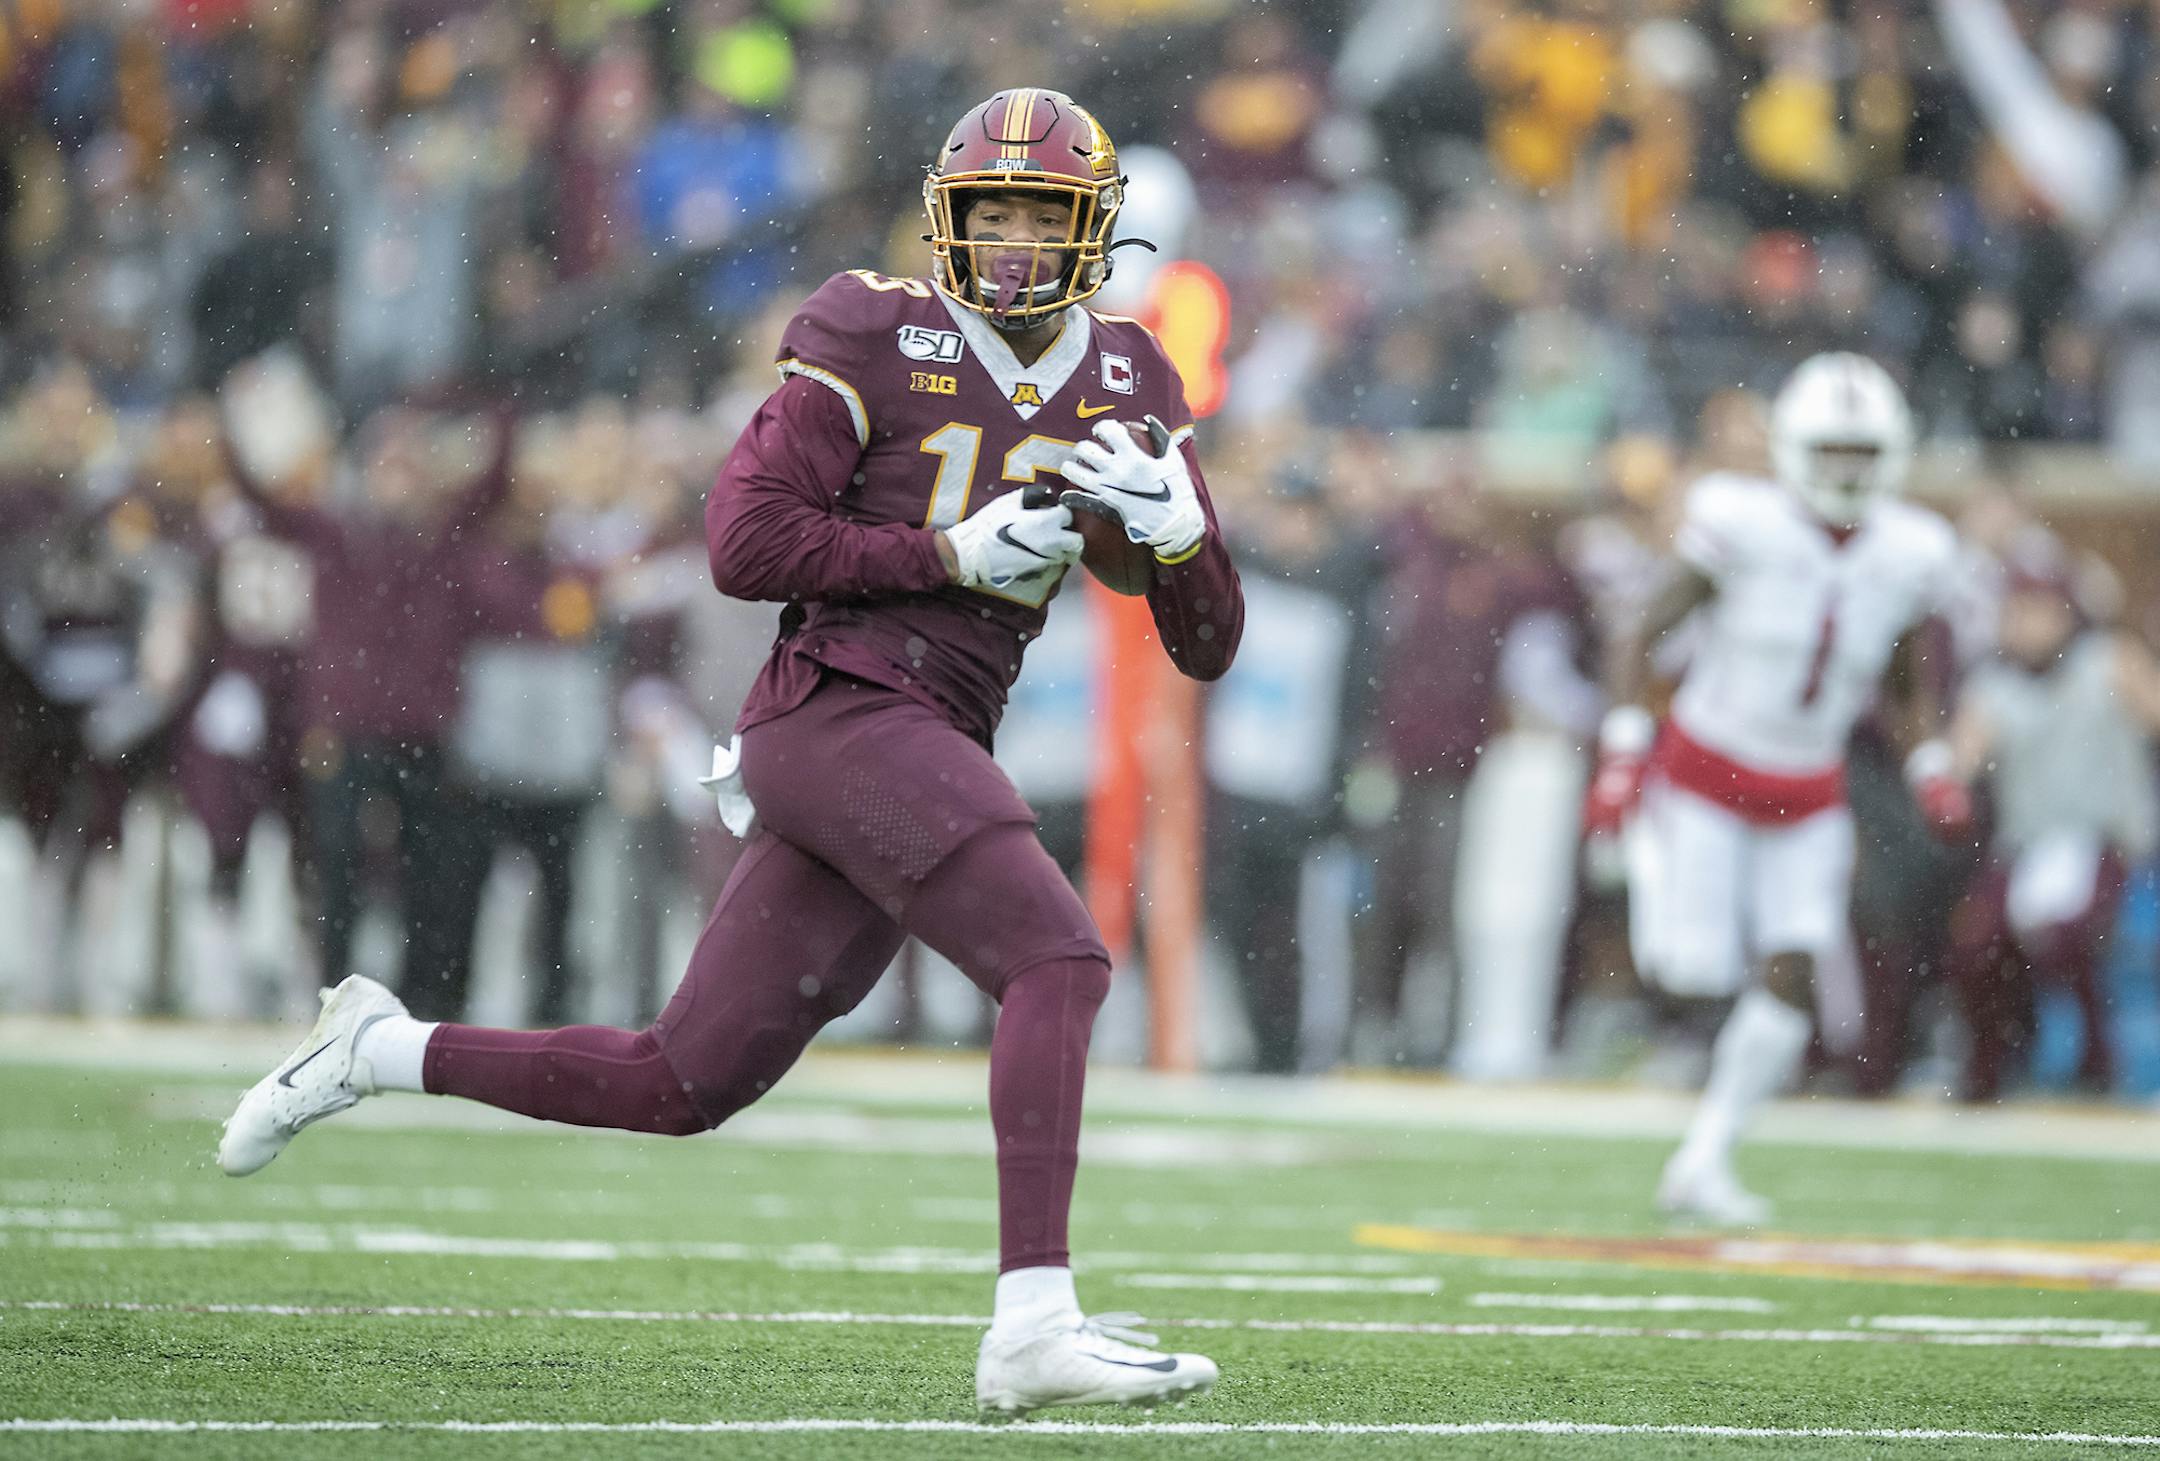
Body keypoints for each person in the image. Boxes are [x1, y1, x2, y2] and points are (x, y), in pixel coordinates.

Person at [217, 89, 1241, 1416]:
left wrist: (1178, 535)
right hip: (843, 708)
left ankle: (375, 1049)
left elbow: (1205, 641)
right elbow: (743, 543)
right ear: (950, 219)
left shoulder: (1128, 377)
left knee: (681, 1078)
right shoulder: (876, 331)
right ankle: (1033, 1319)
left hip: (930, 732)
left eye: (1039, 221)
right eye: (988, 217)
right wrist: (944, 553)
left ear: (1091, 231)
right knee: (1057, 957)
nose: (1009, 249)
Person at [1584, 353, 1962, 1225]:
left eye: (1862, 454)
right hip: (1705, 777)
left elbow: (1906, 685)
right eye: (1831, 451)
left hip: (1808, 792)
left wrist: (1931, 767)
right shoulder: (1740, 522)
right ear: (1794, 450)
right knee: (1690, 970)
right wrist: (1622, 752)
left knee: (1792, 972)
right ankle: (1648, 856)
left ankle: (1705, 1157)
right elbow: (1643, 631)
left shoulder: (1911, 551)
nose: (1846, 471)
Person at [1938, 565, 2160, 1100]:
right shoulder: (1992, 684)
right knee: (1974, 945)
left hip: (2100, 839)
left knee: (2068, 938)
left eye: (2038, 612)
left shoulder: (2110, 659)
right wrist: (1948, 785)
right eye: (2016, 613)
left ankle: (2096, 1062)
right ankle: (1988, 1066)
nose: (2025, 627)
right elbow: (1960, 761)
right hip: (2027, 844)